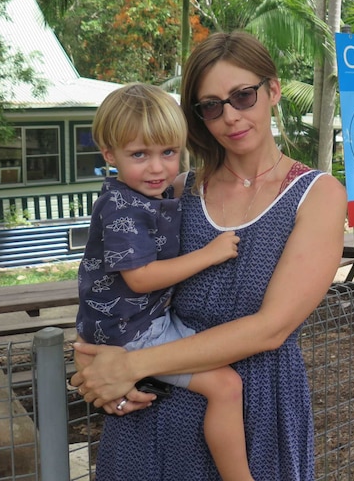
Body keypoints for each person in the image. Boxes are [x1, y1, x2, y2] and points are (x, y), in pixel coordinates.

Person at [70, 32, 347, 481]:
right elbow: (114, 284)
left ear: (272, 90)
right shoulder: (176, 190)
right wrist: (95, 370)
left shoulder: (317, 195)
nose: (231, 116)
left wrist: (129, 366)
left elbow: (270, 328)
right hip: (153, 409)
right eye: (212, 105)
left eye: (243, 96)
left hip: (255, 407)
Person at [75, 83, 255, 481]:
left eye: (168, 153)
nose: (157, 168)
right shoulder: (122, 205)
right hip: (132, 330)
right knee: (225, 385)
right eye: (139, 154)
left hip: (141, 320)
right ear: (110, 155)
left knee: (222, 355)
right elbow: (140, 279)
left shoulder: (145, 195)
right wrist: (210, 253)